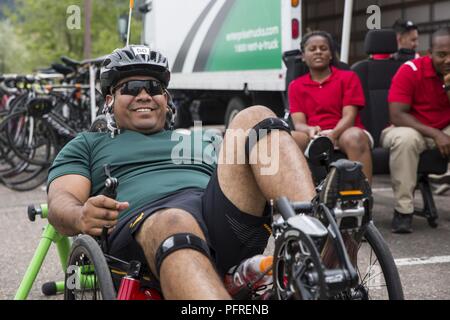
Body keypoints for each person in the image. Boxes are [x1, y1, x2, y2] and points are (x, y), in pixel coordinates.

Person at [47, 45, 317, 299]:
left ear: (165, 98)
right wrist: (81, 216)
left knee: (255, 116)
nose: (144, 95)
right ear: (109, 100)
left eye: (153, 88)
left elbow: (281, 145)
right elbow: (61, 201)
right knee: (174, 219)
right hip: (142, 237)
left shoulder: (200, 138)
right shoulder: (88, 144)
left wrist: (316, 137)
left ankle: (315, 249)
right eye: (131, 87)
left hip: (222, 224)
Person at [381, 27, 450, 234]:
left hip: (443, 129)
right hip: (408, 129)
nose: (448, 60)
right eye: (442, 54)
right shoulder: (410, 70)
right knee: (406, 139)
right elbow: (397, 115)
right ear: (430, 53)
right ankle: (403, 211)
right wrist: (436, 134)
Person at [288, 31, 373, 183]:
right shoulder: (296, 86)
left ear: (331, 54)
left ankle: (363, 197)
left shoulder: (348, 77)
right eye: (312, 49)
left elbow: (349, 116)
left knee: (355, 137)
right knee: (290, 139)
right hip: (313, 135)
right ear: (303, 56)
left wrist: (333, 134)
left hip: (344, 132)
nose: (318, 52)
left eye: (323, 48)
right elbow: (299, 123)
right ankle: (300, 197)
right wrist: (309, 130)